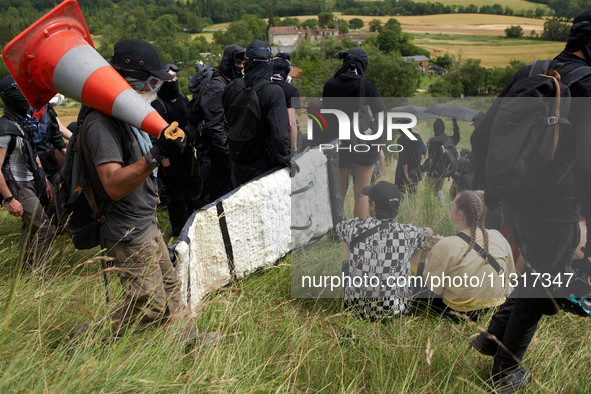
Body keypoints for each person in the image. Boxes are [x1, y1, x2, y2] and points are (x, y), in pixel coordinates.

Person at [469, 10, 591, 392]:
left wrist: (493, 190)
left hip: (514, 202)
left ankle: (491, 339)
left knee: (535, 274)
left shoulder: (533, 71)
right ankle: (505, 372)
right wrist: (584, 221)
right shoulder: (587, 85)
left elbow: (481, 133)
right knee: (542, 290)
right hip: (556, 211)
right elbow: (588, 164)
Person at [69, 39, 202, 344]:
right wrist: (155, 155)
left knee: (172, 294)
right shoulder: (101, 123)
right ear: (129, 79)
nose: (154, 87)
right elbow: (113, 184)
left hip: (145, 221)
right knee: (151, 306)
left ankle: (191, 346)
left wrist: (166, 150)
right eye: (151, 80)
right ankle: (85, 339)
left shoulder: (126, 114)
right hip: (126, 230)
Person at [335, 181, 432, 321]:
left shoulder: (355, 226)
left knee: (346, 239)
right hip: (396, 309)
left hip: (355, 308)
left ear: (373, 205)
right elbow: (429, 231)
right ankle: (409, 283)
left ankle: (347, 288)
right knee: (419, 244)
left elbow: (339, 227)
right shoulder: (408, 232)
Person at [422, 190, 515, 321]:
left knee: (420, 272)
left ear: (460, 214)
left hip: (458, 312)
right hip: (495, 308)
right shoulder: (497, 236)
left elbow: (433, 287)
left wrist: (429, 256)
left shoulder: (446, 245)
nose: (451, 206)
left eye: (453, 204)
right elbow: (510, 274)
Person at [322, 48, 385, 219]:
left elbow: (326, 117)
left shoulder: (330, 85)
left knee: (339, 191)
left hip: (338, 144)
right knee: (362, 193)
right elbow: (380, 118)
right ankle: (358, 234)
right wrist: (379, 146)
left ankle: (337, 231)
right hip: (364, 143)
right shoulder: (368, 85)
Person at [0, 76, 54, 270]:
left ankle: (23, 269)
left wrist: (44, 179)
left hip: (31, 182)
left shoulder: (20, 123)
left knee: (30, 227)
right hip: (19, 186)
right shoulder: (5, 129)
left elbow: (32, 153)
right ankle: (40, 273)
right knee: (46, 229)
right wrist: (9, 199)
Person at [222, 40, 291, 188]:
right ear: (269, 63)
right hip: (264, 168)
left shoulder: (232, 87)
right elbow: (280, 136)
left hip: (236, 164)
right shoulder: (274, 92)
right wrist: (288, 161)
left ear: (246, 62)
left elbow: (227, 123)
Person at [151, 62, 200, 236]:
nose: (173, 80)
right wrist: (167, 166)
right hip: (170, 160)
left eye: (176, 77)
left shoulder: (181, 97)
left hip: (187, 156)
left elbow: (188, 123)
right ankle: (179, 232)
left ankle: (191, 228)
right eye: (169, 77)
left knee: (193, 193)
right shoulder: (157, 105)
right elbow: (155, 138)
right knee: (177, 198)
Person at [190, 45, 244, 202]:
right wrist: (229, 154)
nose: (240, 67)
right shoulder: (216, 86)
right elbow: (215, 127)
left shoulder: (231, 83)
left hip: (225, 151)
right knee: (213, 199)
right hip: (214, 155)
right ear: (228, 62)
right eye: (237, 63)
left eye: (242, 64)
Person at [422, 118, 459, 202]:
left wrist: (420, 169)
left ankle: (434, 209)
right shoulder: (449, 140)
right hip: (443, 172)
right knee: (438, 190)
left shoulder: (433, 141)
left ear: (434, 128)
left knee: (428, 193)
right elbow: (457, 137)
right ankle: (441, 206)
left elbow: (431, 159)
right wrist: (455, 123)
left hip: (432, 173)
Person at [271, 52, 300, 152]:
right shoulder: (292, 90)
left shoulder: (261, 86)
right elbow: (291, 124)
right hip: (281, 146)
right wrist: (294, 148)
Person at [394, 128, 426, 196]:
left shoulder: (401, 140)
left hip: (402, 172)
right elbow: (424, 151)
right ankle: (412, 207)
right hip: (415, 171)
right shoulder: (417, 137)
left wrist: (406, 173)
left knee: (400, 193)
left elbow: (404, 158)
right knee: (412, 194)